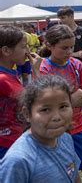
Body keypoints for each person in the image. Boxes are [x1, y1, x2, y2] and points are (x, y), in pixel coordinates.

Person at [36, 25, 82, 183]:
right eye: (64, 48)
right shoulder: (44, 68)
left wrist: (67, 101)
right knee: (72, 177)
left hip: (79, 127)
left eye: (72, 47)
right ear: (49, 46)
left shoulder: (77, 65)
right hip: (57, 133)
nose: (69, 51)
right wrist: (77, 95)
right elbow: (49, 106)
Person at [0, 75, 81, 182]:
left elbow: (73, 175)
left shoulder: (66, 139)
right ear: (27, 114)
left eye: (63, 107)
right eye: (45, 110)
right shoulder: (18, 160)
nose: (56, 117)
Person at [0, 25, 28, 159]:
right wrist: (37, 71)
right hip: (6, 145)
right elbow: (36, 103)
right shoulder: (3, 79)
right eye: (23, 47)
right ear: (6, 50)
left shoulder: (10, 73)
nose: (27, 51)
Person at [57, 6, 82, 86]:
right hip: (64, 67)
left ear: (71, 16)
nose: (61, 21)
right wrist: (74, 54)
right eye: (59, 18)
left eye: (63, 18)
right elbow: (56, 53)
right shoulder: (59, 34)